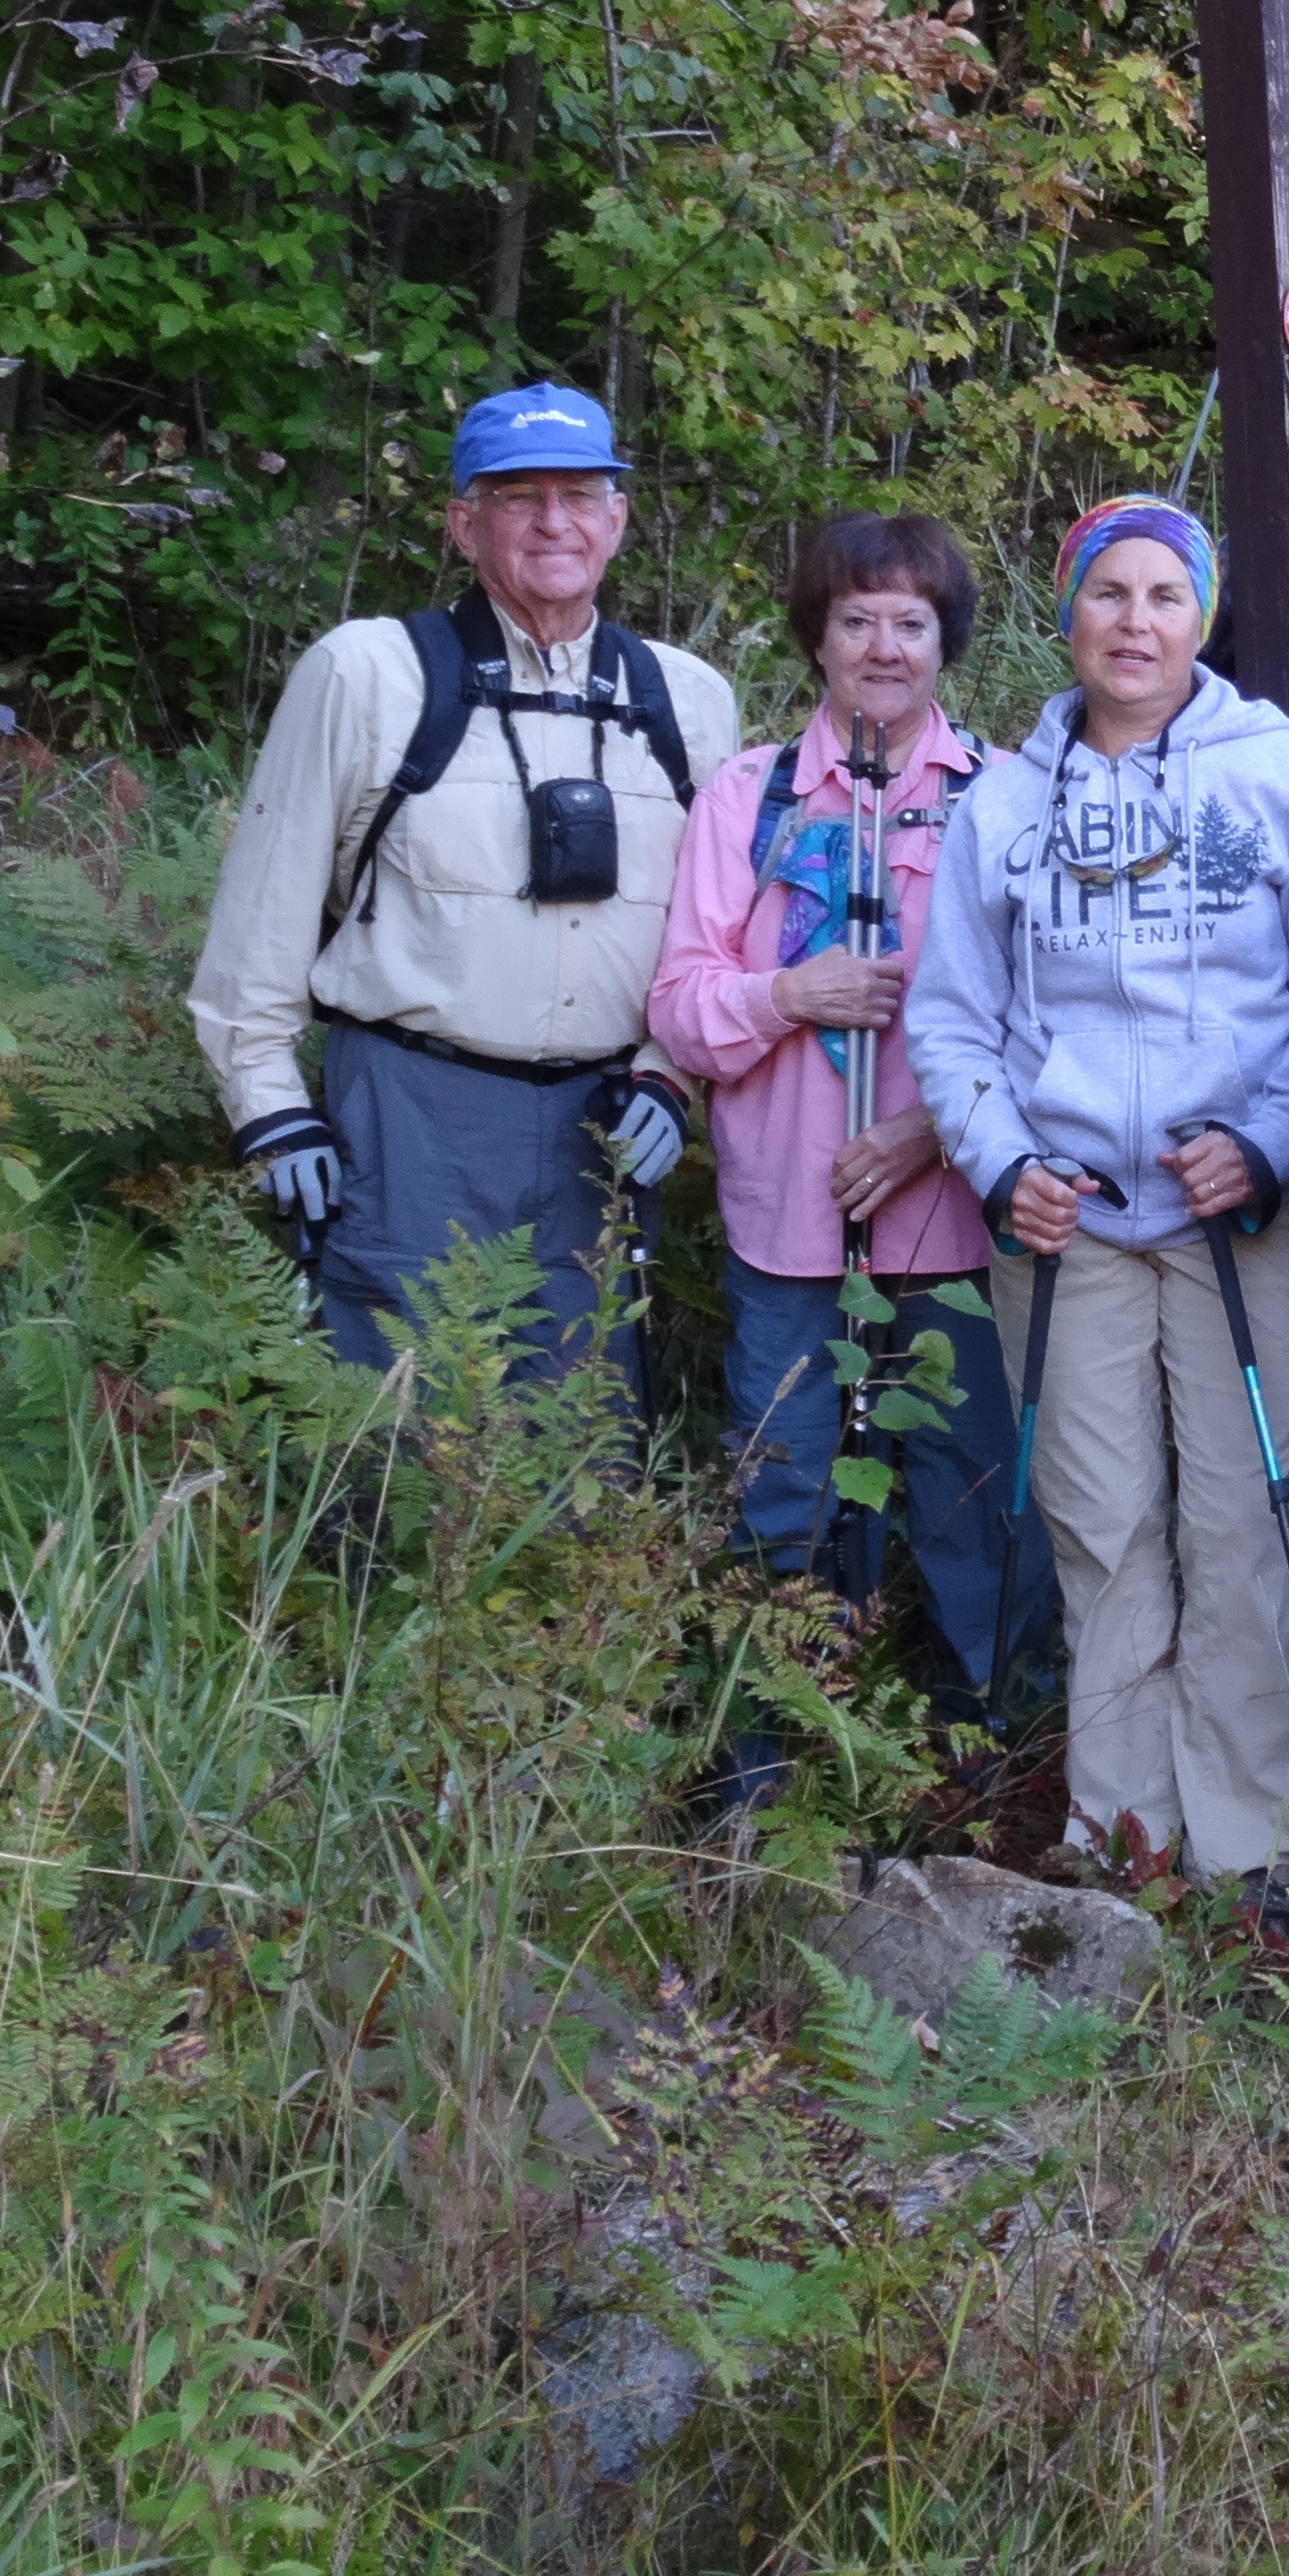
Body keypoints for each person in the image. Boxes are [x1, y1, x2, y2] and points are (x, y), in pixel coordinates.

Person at [903, 496, 1289, 1889]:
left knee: (1240, 1527)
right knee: (1103, 1531)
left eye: (1166, 595)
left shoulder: (1278, 776)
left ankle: (1242, 1845)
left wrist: (1274, 1143)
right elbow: (951, 1020)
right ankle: (1122, 1836)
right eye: (1109, 595)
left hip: (1240, 1221)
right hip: (1072, 1224)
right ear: (1068, 616)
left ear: (1203, 617)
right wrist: (1003, 1164)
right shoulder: (1003, 799)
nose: (1136, 623)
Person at [191, 383, 738, 1387]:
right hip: (411, 1115)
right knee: (393, 1436)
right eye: (516, 495)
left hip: (605, 1127)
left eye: (580, 492)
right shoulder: (368, 675)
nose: (553, 521)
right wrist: (268, 1103)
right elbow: (262, 913)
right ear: (462, 523)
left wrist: (671, 1071)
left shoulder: (687, 700)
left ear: (618, 516)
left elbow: (713, 938)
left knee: (583, 1445)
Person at [648, 508, 1052, 1728]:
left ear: (948, 642)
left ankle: (986, 1751)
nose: (884, 646)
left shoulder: (1004, 798)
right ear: (818, 640)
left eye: (912, 622)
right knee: (785, 1493)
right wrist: (789, 992)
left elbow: (1051, 1022)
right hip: (788, 1229)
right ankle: (772, 1747)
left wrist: (931, 1131)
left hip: (956, 1228)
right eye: (857, 618)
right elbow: (677, 1009)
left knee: (975, 1496)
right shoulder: (747, 798)